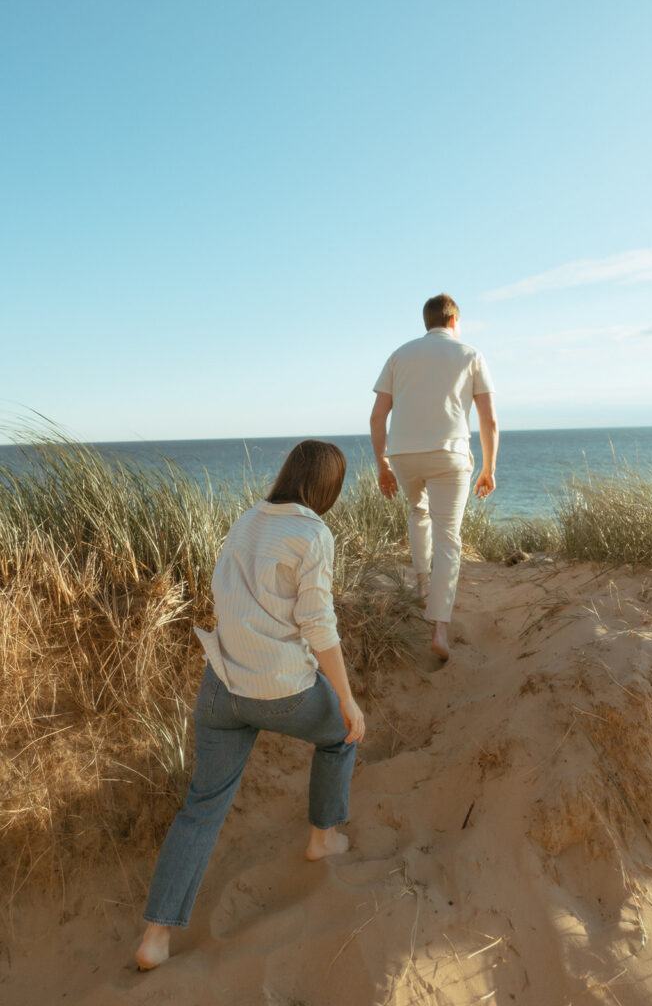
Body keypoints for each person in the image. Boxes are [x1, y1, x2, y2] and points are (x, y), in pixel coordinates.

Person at [135, 440, 365, 971]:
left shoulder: (245, 520)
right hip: (281, 689)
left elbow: (222, 590)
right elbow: (318, 623)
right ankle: (322, 839)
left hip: (221, 684)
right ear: (327, 486)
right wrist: (348, 700)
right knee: (340, 734)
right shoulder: (312, 532)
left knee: (201, 807)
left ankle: (155, 937)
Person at [370, 293, 499, 661]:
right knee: (449, 538)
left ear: (426, 322)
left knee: (418, 511)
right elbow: (489, 419)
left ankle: (422, 586)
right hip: (449, 454)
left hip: (404, 455)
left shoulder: (400, 354)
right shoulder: (470, 354)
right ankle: (439, 628)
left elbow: (377, 417)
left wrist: (383, 466)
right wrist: (488, 468)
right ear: (454, 320)